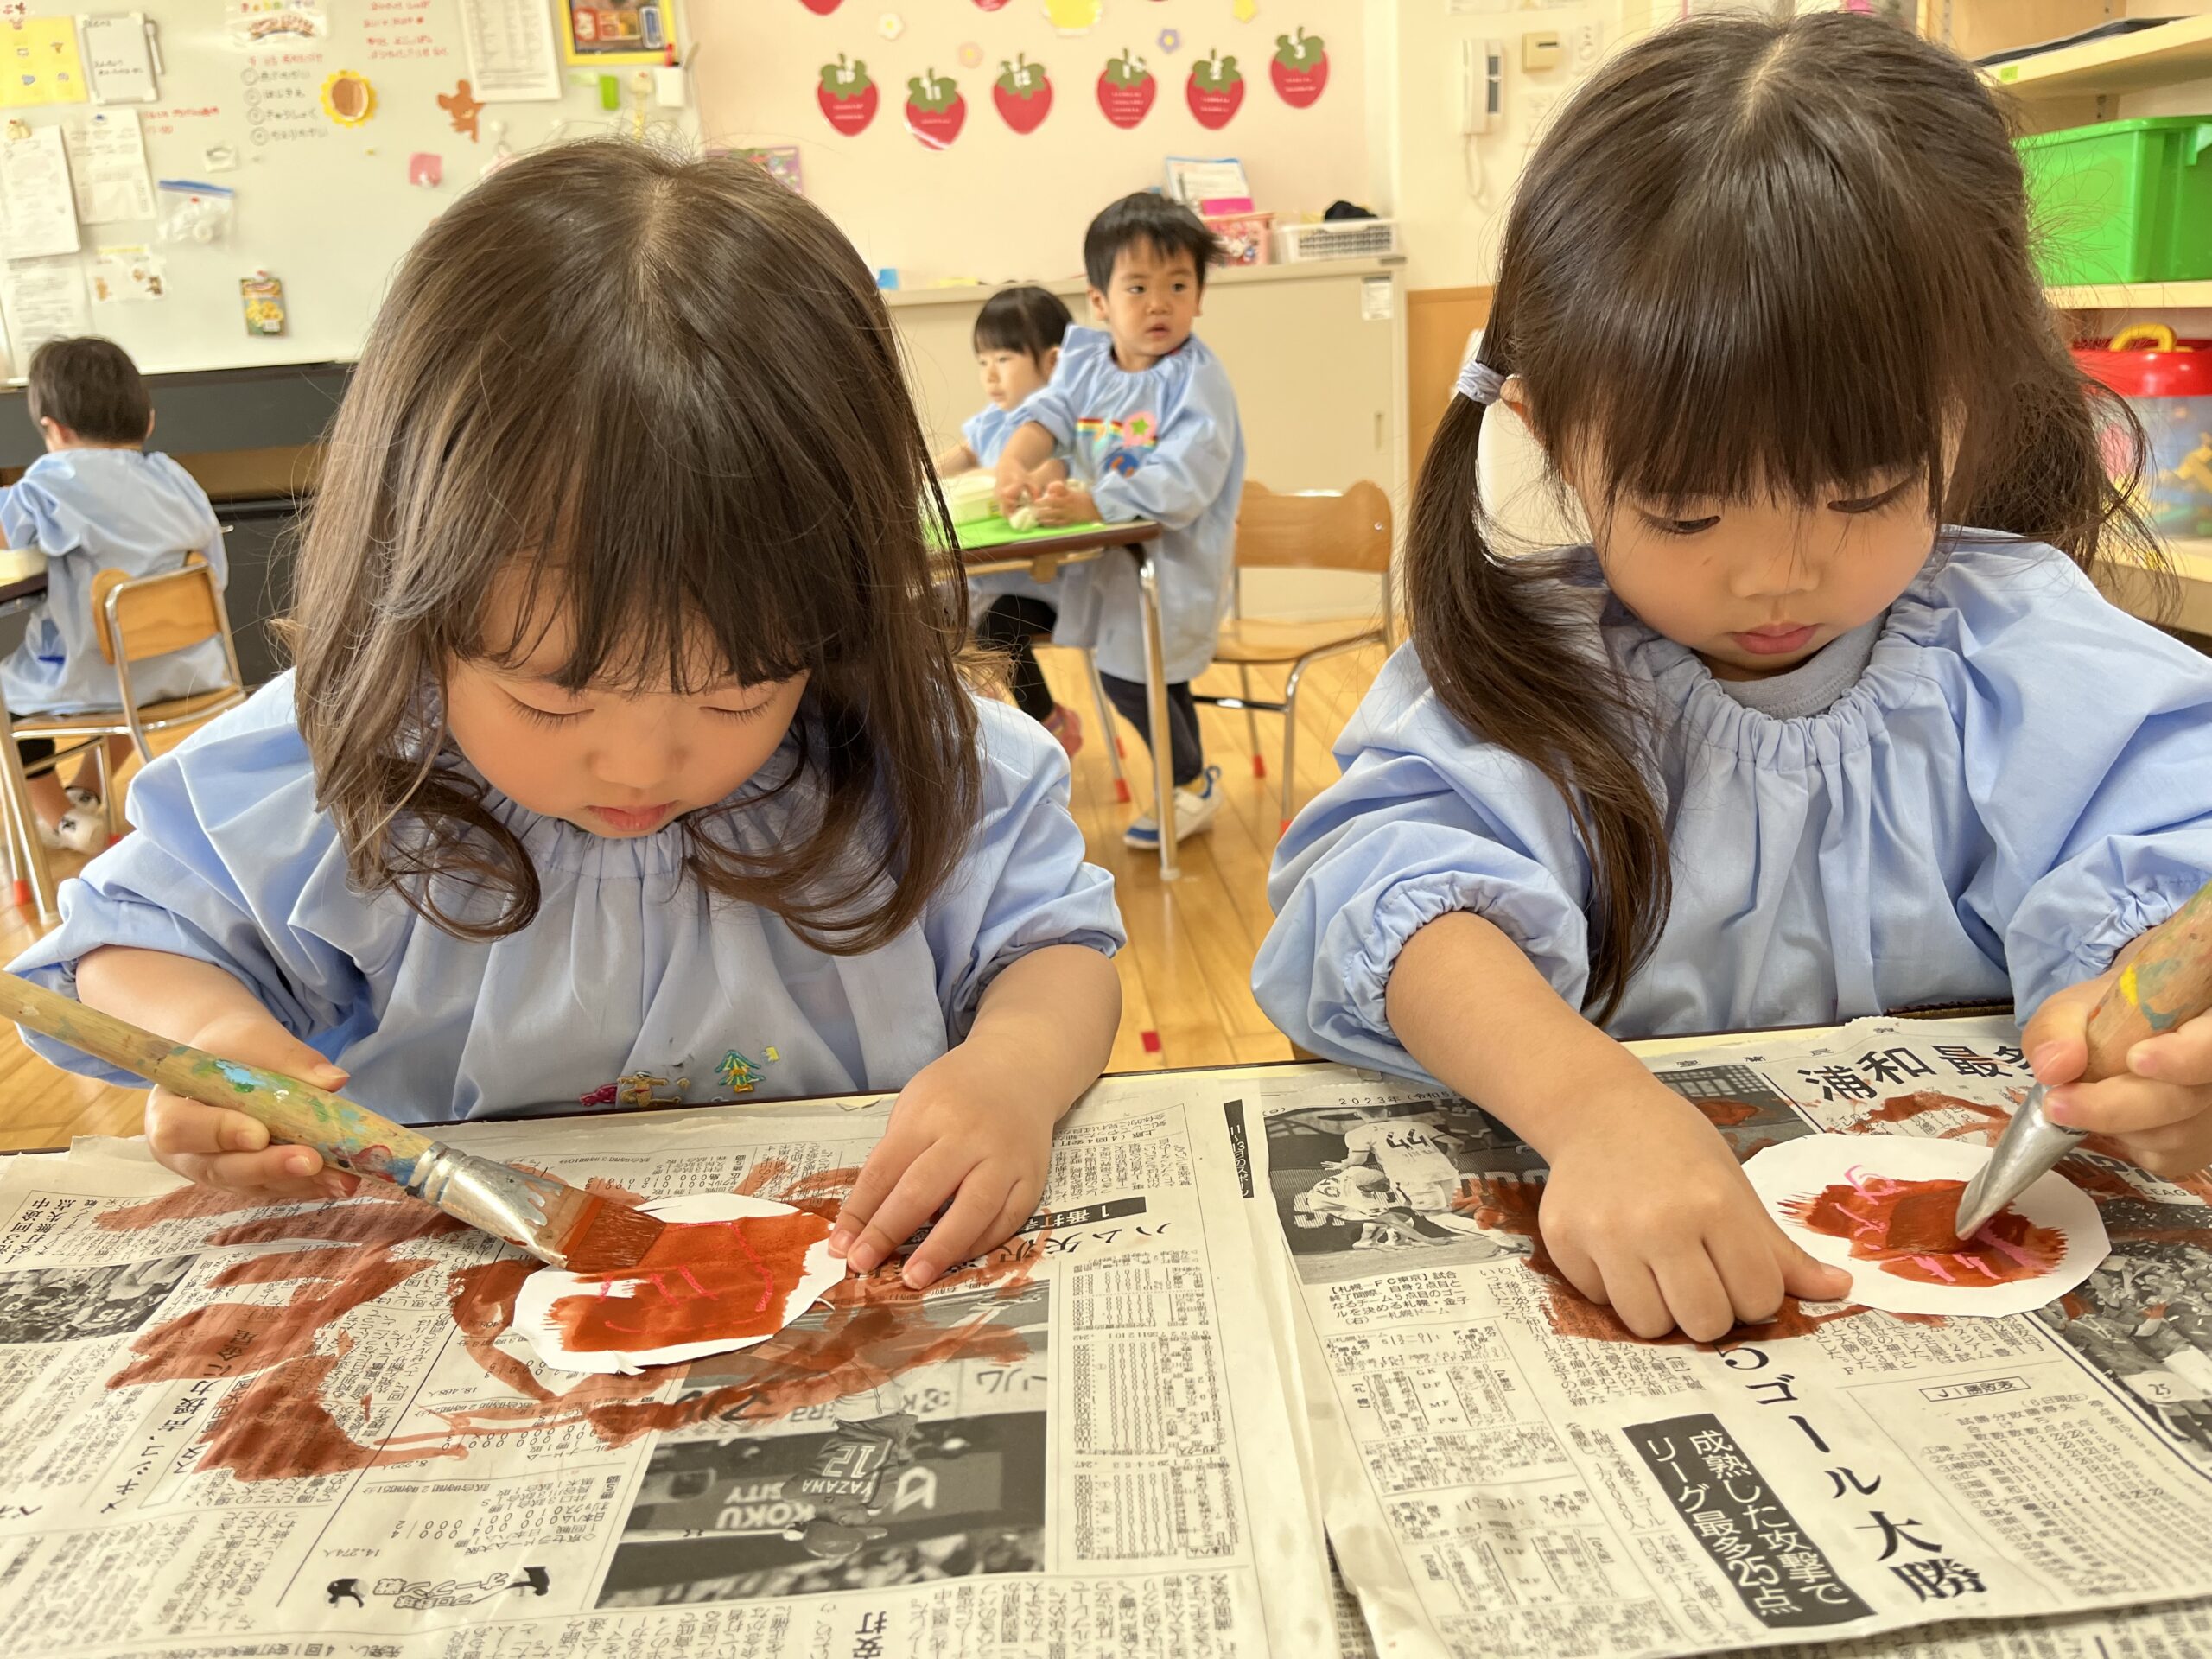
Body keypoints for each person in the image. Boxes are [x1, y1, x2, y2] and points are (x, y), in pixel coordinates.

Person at [8, 143, 1125, 1294]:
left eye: (738, 692)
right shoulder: (340, 768)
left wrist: (1014, 1068)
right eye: (551, 695)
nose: (640, 763)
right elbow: (127, 943)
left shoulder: (906, 756)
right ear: (413, 598)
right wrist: (215, 1044)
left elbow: (1054, 947)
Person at [1254, 12, 2212, 1341]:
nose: (1778, 573)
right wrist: (1591, 1106)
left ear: (1970, 405)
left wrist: (2140, 1036)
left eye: (1862, 491)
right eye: (1687, 511)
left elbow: (2165, 853)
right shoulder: (1540, 671)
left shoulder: (2020, 646)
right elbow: (1387, 897)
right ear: (1548, 434)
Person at [994, 194, 1246, 850]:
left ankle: (1189, 783)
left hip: (1172, 563)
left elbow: (1185, 475)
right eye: (1137, 287)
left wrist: (1097, 502)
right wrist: (1016, 461)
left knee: (1137, 675)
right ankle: (1181, 779)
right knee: (1004, 620)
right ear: (1099, 301)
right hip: (1102, 563)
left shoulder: (1197, 380)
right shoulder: (1085, 362)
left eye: (1178, 286)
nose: (1158, 304)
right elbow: (1048, 415)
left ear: (1199, 296)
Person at [2, 337, 227, 853]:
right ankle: (88, 790)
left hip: (98, 675)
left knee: (7, 701)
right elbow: (214, 569)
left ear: (54, 430)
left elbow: (6, 531)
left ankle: (63, 821)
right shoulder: (175, 477)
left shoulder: (49, 484)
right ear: (148, 422)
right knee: (133, 676)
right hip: (188, 670)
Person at [936, 285, 1087, 758]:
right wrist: (918, 476)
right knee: (919, 611)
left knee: (999, 628)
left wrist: (1025, 480)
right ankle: (962, 724)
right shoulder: (990, 421)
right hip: (987, 575)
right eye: (982, 361)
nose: (990, 374)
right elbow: (960, 456)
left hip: (1046, 585)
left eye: (1003, 359)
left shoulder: (1062, 427)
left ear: (1052, 363)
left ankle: (1047, 723)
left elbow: (1053, 473)